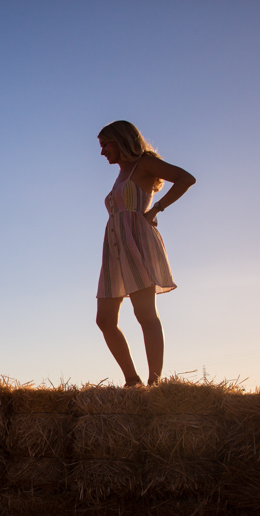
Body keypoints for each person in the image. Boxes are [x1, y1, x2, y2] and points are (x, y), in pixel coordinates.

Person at [95, 120, 195, 387]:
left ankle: (155, 383)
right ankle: (132, 381)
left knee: (145, 314)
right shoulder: (120, 174)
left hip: (137, 242)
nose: (102, 151)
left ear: (121, 140)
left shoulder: (145, 164)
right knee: (104, 320)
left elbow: (187, 179)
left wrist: (156, 209)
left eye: (105, 144)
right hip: (114, 248)